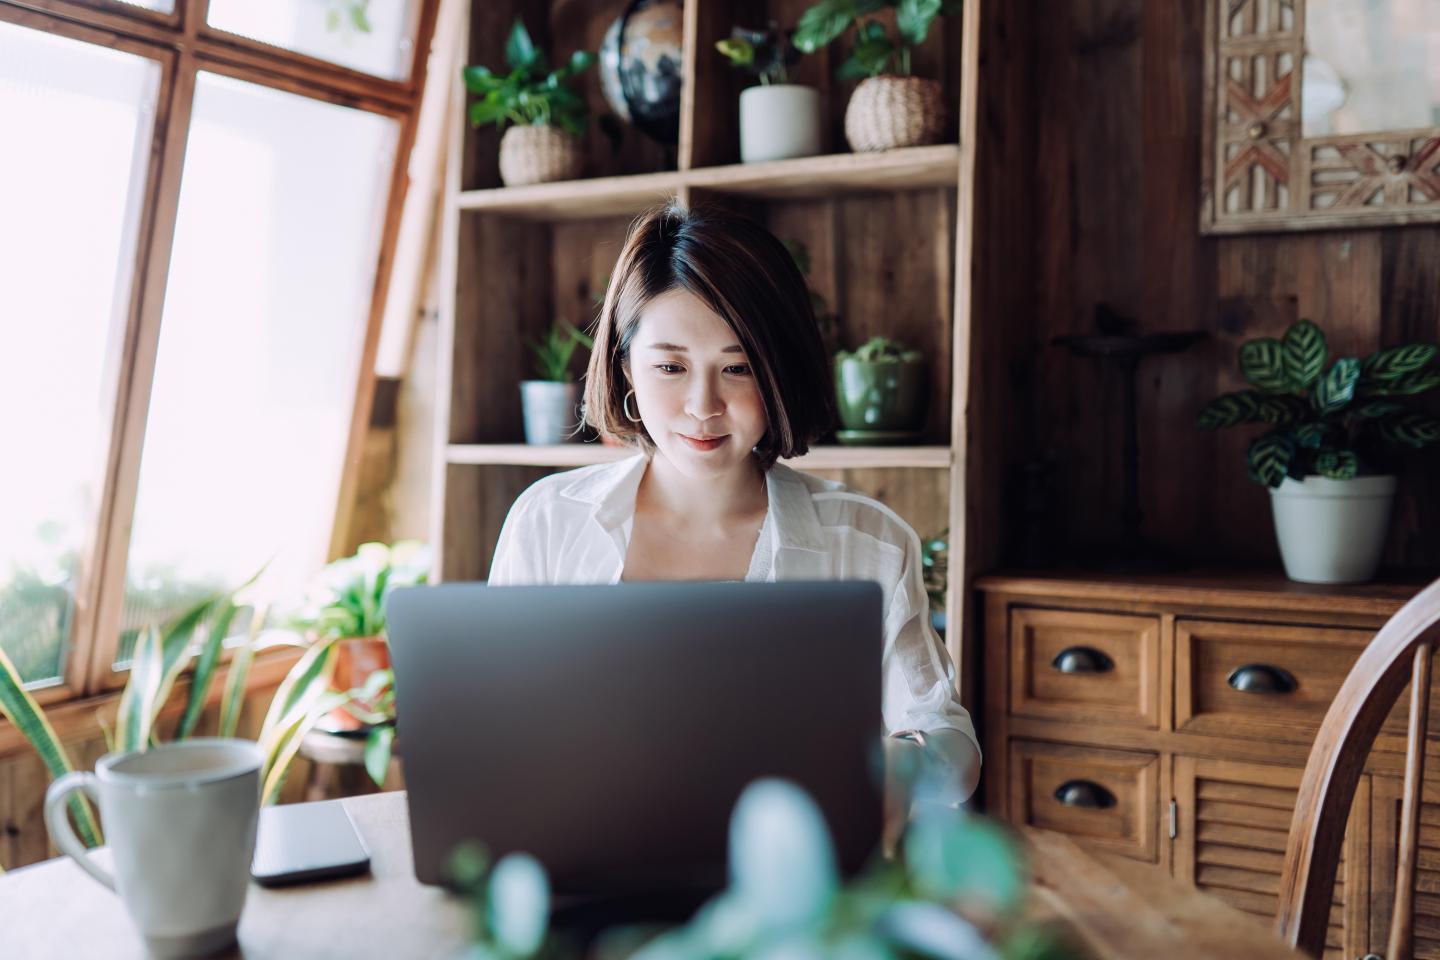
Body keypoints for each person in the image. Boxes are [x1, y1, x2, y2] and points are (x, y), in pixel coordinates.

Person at [488, 203, 981, 831]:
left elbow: (951, 744)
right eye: (670, 366)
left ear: (779, 370)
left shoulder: (865, 540)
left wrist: (905, 762)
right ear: (625, 369)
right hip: (592, 854)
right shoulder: (548, 521)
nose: (703, 406)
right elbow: (500, 727)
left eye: (737, 367)